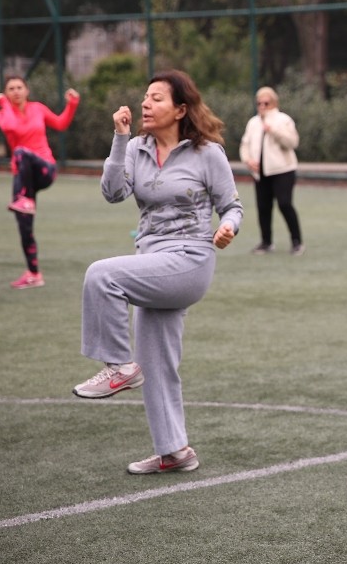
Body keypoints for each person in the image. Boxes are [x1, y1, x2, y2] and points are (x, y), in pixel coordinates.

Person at [72, 70, 243, 475]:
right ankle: (175, 451)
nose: (145, 104)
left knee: (101, 275)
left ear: (180, 109)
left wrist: (228, 228)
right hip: (152, 261)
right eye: (145, 97)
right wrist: (119, 139)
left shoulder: (208, 153)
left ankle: (119, 366)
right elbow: (113, 193)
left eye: (156, 98)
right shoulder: (136, 148)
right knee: (157, 363)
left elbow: (232, 206)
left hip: (190, 260)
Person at [0, 76, 80, 289]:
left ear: (27, 90)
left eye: (19, 87)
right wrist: (4, 105)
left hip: (44, 169)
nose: (16, 91)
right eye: (10, 89)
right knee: (24, 227)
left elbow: (60, 124)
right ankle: (33, 274)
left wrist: (72, 104)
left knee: (21, 152)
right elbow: (11, 126)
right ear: (6, 93)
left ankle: (25, 200)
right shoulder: (3, 115)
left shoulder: (38, 109)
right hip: (23, 178)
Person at [239, 86, 304, 255]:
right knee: (263, 207)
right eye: (259, 103)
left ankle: (297, 241)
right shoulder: (253, 123)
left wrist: (273, 131)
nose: (262, 106)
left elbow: (292, 142)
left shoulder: (283, 120)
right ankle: (266, 242)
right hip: (260, 173)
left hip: (283, 170)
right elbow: (245, 144)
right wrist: (248, 160)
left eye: (266, 103)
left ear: (274, 103)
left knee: (285, 204)